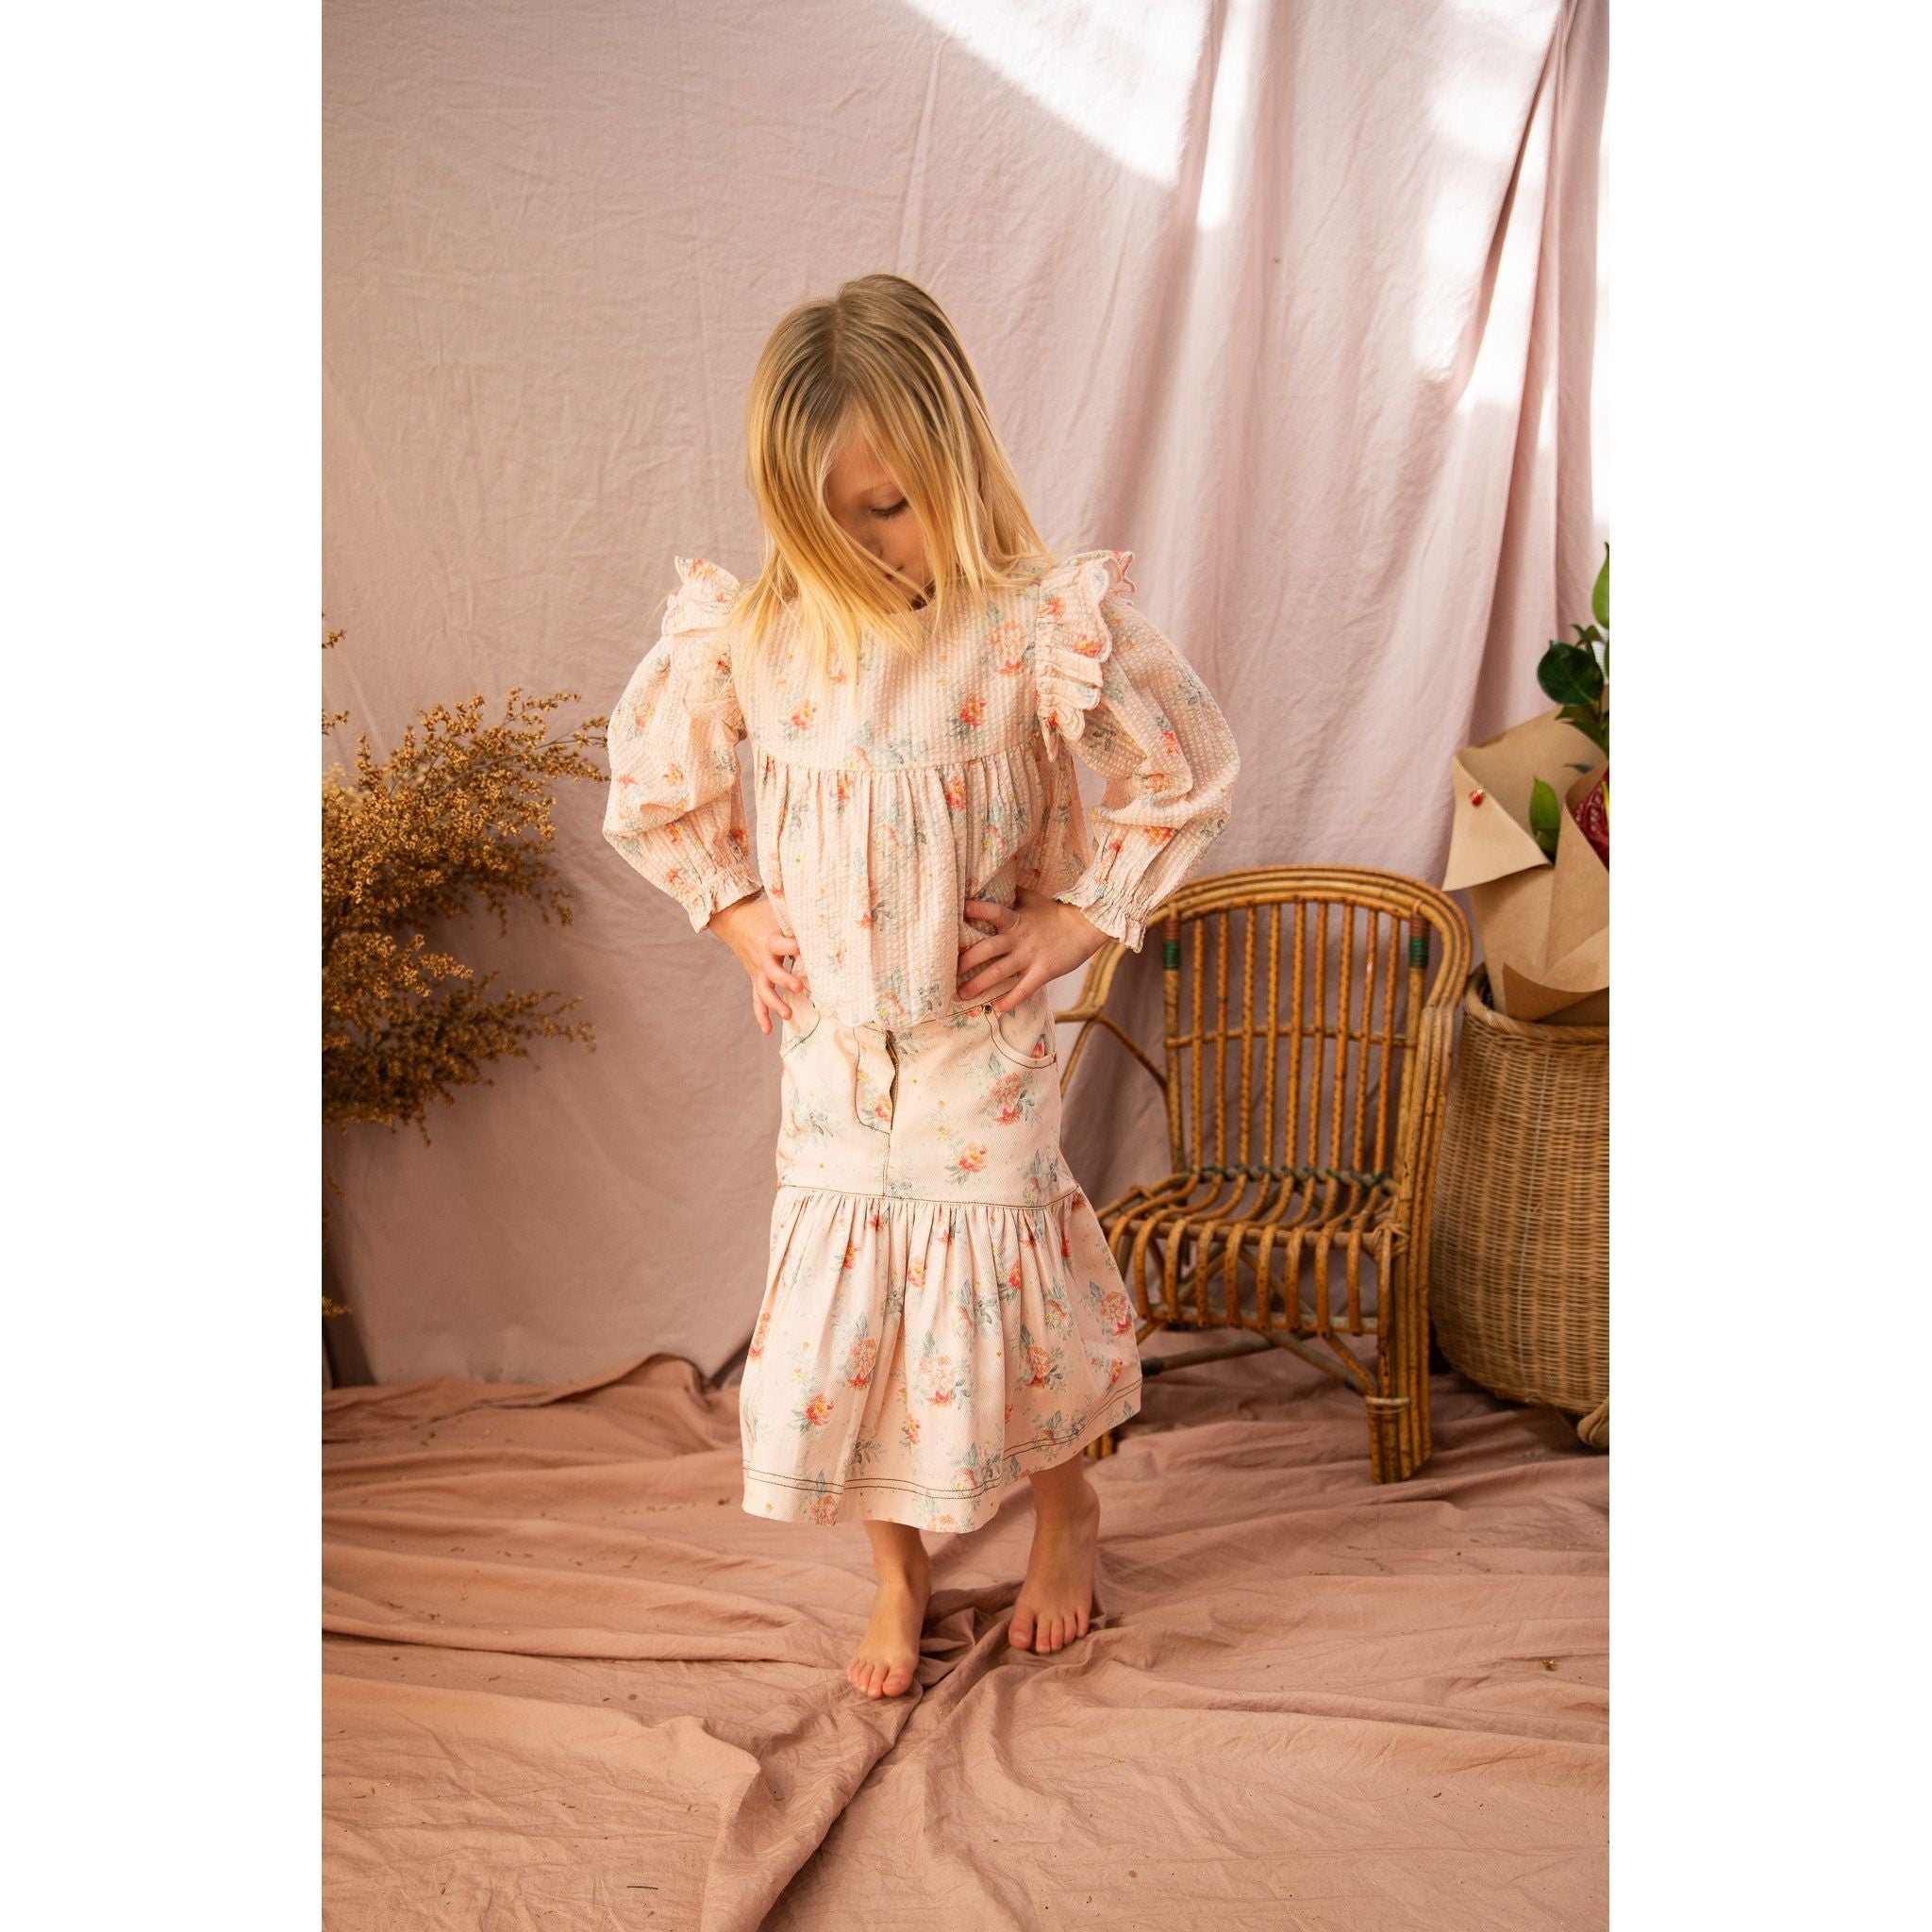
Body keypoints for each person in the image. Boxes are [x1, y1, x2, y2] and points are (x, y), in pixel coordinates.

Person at [603, 273, 1240, 1700]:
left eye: (888, 508)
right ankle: (897, 1572)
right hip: (834, 1048)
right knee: (859, 1310)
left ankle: (1066, 1508)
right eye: (822, 519)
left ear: (952, 466)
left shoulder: (1031, 625)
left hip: (980, 1040)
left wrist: (1075, 925)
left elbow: (1184, 771)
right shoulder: (757, 635)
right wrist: (739, 913)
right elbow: (654, 790)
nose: (859, 545)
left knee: (1008, 1281)